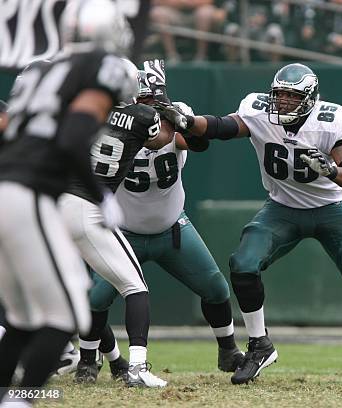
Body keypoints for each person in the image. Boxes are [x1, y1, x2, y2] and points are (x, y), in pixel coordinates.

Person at [158, 63, 342, 387]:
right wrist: (189, 123)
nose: (282, 101)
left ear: (310, 98)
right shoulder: (258, 111)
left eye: (291, 96)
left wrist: (331, 170)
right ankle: (259, 345)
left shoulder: (330, 120)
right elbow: (222, 127)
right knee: (242, 263)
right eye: (279, 94)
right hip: (282, 208)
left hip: (331, 208)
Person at [0, 0, 136, 404]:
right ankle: (20, 399)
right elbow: (74, 139)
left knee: (25, 319)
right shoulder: (101, 68)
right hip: (28, 192)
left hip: (7, 185)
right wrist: (101, 196)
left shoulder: (41, 69)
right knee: (67, 315)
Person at [83, 59, 244, 379]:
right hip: (123, 231)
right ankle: (89, 360)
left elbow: (197, 143)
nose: (148, 108)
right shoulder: (110, 125)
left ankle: (228, 350)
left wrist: (176, 116)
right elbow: (152, 138)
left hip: (172, 228)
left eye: (152, 101)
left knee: (216, 288)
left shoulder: (173, 113)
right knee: (96, 298)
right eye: (142, 101)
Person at [60, 63, 174, 387]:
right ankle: (137, 368)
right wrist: (166, 104)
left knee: (73, 291)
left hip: (55, 205)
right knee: (135, 287)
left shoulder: (82, 109)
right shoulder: (142, 117)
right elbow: (161, 139)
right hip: (89, 208)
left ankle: (105, 359)